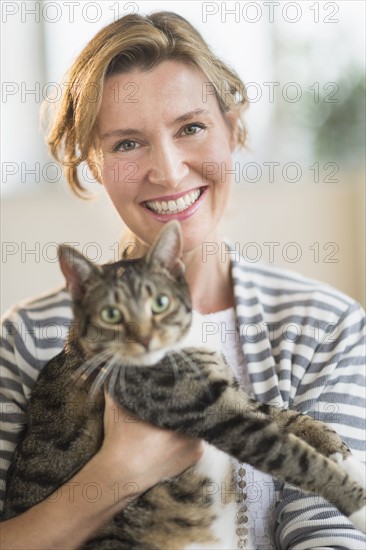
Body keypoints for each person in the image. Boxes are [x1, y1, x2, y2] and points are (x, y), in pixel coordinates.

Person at [1, 11, 365, 550]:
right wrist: (122, 471)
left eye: (191, 127)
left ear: (234, 128)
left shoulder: (325, 326)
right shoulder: (26, 337)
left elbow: (332, 535)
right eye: (127, 143)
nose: (168, 172)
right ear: (94, 165)